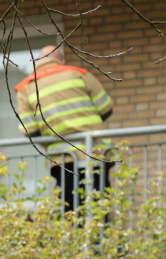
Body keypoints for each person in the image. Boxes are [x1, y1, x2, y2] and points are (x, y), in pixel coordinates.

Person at [15, 45, 114, 213]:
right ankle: (97, 238)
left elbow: (29, 130)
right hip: (96, 152)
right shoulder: (80, 74)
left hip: (63, 159)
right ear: (61, 60)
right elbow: (105, 109)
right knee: (99, 207)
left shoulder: (25, 87)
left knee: (70, 209)